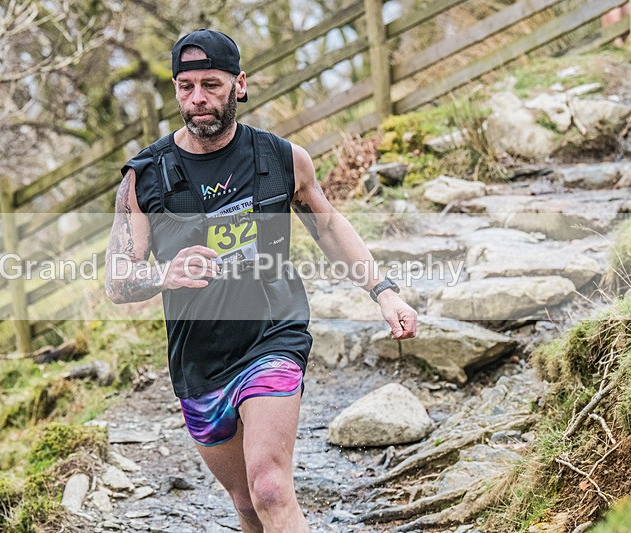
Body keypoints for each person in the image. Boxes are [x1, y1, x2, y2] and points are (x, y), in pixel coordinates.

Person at [105, 28, 418, 532]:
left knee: (271, 487)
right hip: (198, 359)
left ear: (240, 84)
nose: (198, 98)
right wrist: (167, 273)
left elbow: (331, 227)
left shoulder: (281, 159)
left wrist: (384, 293)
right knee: (248, 504)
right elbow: (117, 281)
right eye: (186, 86)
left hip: (273, 335)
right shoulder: (145, 177)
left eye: (211, 83)